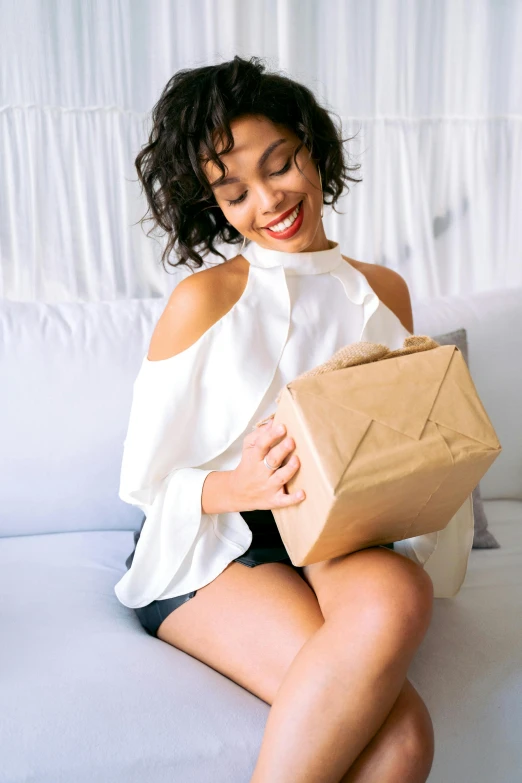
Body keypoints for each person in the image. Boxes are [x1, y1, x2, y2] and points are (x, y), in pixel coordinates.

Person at [114, 55, 435, 783]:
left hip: (337, 529)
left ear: (311, 146)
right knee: (403, 738)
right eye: (235, 194)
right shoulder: (203, 301)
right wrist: (242, 484)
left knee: (405, 592)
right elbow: (144, 486)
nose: (268, 201)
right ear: (216, 209)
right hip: (211, 540)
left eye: (280, 164)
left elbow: (394, 444)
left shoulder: (385, 291)